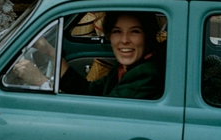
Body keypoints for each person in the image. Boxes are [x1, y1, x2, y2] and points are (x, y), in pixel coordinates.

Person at [12, 11, 166, 99]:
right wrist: (50, 52)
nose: (124, 40)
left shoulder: (147, 74)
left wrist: (41, 82)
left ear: (148, 35)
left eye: (135, 31)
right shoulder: (125, 67)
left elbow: (101, 116)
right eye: (117, 31)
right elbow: (89, 91)